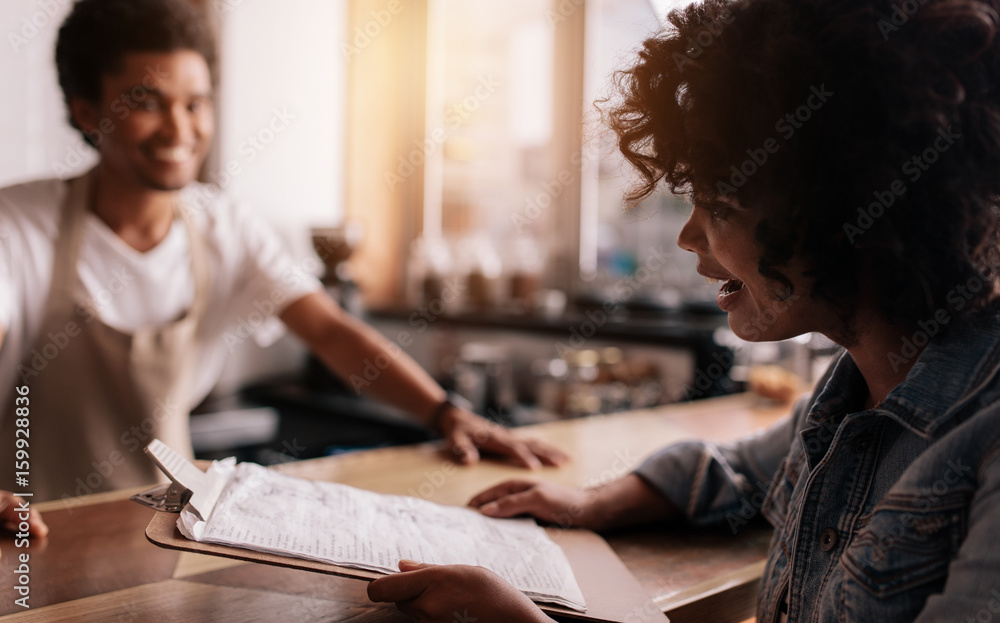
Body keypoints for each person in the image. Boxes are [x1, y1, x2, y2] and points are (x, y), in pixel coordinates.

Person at [366, 0, 1000, 620]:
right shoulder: (856, 388)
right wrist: (593, 503)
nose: (688, 236)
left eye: (720, 206)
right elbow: (737, 472)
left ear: (847, 217)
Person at [0, 0, 566, 533]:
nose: (179, 129)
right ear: (86, 111)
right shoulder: (21, 225)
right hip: (31, 533)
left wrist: (446, 414)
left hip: (163, 532)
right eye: (147, 102)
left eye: (195, 103)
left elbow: (330, 331)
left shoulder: (225, 227)